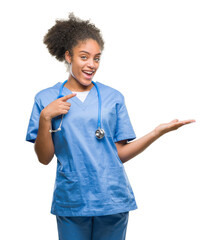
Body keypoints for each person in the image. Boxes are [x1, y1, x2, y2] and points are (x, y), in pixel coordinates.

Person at [25, 12, 195, 240]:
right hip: (73, 199)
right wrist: (45, 118)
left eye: (96, 58)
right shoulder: (45, 99)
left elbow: (119, 154)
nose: (91, 64)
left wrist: (157, 133)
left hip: (112, 198)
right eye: (84, 57)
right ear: (68, 56)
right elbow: (44, 158)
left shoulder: (113, 97)